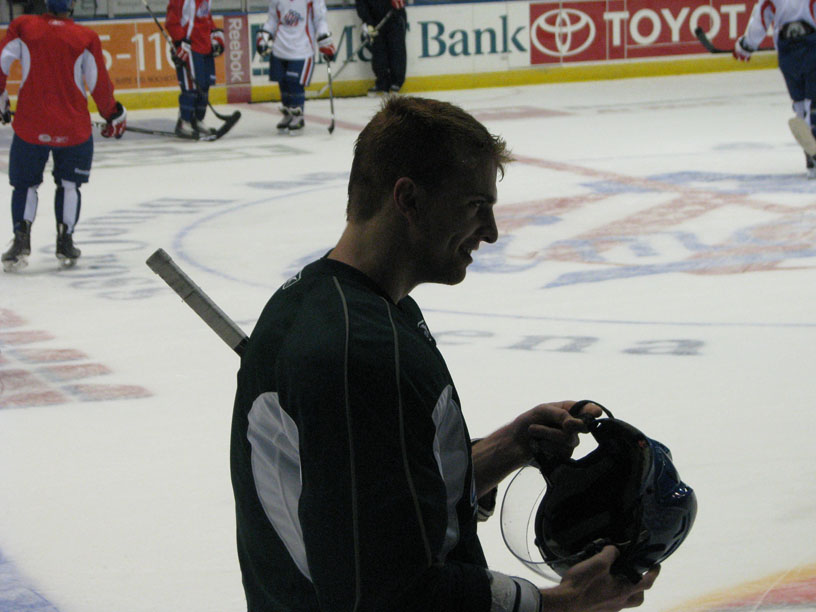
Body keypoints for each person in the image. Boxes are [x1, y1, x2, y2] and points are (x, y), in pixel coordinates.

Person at [229, 95, 660, 612]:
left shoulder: (329, 306)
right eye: (476, 206)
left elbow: (373, 493)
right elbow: (394, 595)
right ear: (407, 198)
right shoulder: (359, 351)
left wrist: (509, 446)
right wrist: (562, 603)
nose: (493, 233)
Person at [0, 0, 127, 272]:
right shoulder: (85, 37)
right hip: (72, 128)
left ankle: (21, 240)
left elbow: (1, 63)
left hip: (31, 124)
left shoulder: (23, 26)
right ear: (70, 7)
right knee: (70, 185)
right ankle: (65, 240)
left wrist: (1, 99)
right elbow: (98, 83)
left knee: (25, 185)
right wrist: (113, 114)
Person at [733, 0, 816, 177]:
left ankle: (811, 157)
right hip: (812, 47)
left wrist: (747, 45)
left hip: (787, 53)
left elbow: (761, 17)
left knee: (801, 104)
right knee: (812, 103)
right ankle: (813, 150)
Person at [254, 0, 335, 134]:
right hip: (280, 47)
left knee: (294, 83)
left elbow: (320, 20)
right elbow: (273, 19)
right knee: (283, 83)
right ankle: (288, 113)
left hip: (302, 49)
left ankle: (298, 115)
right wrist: (264, 36)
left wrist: (324, 40)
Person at [164, 0, 225, 138]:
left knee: (204, 86)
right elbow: (171, 21)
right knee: (191, 87)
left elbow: (206, 18)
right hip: (190, 48)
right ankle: (184, 121)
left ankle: (197, 120)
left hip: (205, 47)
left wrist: (215, 36)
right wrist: (180, 41)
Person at [356, 0, 407, 95]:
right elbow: (361, 4)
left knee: (396, 49)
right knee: (378, 51)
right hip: (374, 19)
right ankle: (382, 83)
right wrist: (368, 22)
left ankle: (396, 82)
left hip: (395, 16)